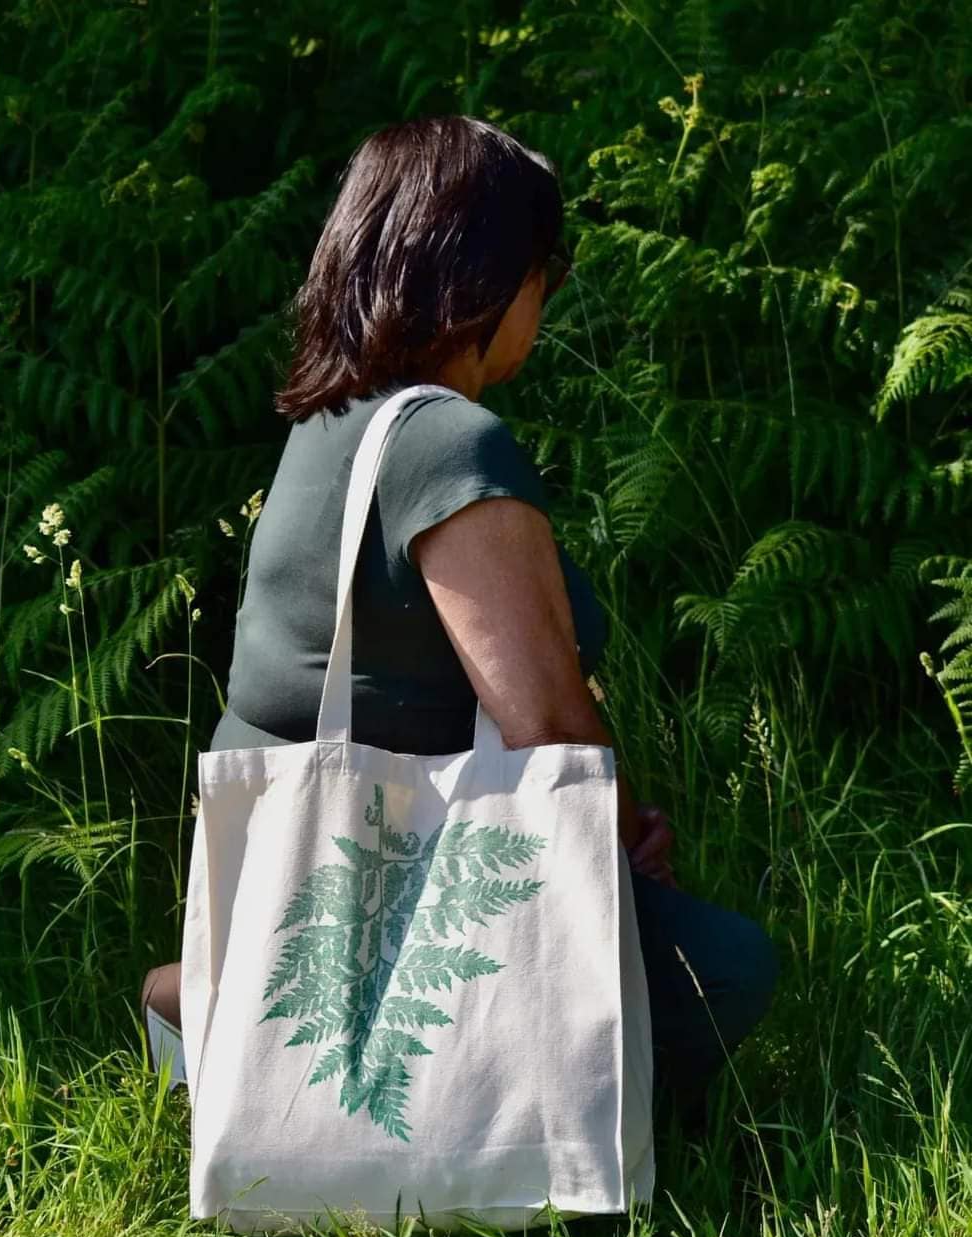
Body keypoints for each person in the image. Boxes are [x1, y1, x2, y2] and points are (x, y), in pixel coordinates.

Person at [140, 115, 777, 1130]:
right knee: (731, 965)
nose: (548, 297)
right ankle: (288, 1033)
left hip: (277, 867)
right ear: (484, 272)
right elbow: (549, 730)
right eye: (547, 267)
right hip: (374, 880)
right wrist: (619, 840)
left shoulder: (332, 420)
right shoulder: (447, 441)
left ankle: (221, 990)